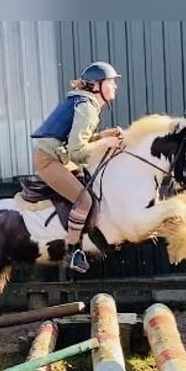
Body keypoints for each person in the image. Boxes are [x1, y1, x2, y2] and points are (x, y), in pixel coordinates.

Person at [30, 61, 124, 273]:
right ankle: (72, 252)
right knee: (84, 200)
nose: (115, 86)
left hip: (57, 155)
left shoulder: (86, 103)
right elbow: (78, 151)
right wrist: (105, 143)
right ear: (97, 85)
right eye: (111, 82)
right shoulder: (87, 107)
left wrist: (102, 135)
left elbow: (78, 139)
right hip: (48, 160)